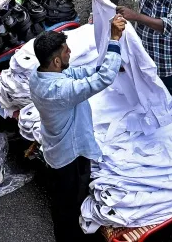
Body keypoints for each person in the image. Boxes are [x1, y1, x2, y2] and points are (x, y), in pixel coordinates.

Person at [28, 29, 119, 242]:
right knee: (70, 205)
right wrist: (114, 42)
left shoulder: (38, 75)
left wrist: (99, 66)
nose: (71, 52)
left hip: (57, 150)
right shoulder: (60, 91)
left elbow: (74, 73)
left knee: (62, 200)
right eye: (66, 51)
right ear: (57, 61)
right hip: (70, 157)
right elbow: (103, 79)